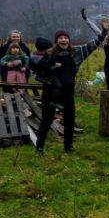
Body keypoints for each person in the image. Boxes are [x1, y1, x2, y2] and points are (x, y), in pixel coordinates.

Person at [35, 28, 105, 156]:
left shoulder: (76, 53)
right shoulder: (50, 55)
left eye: (65, 37)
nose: (63, 40)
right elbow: (37, 73)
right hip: (50, 93)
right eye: (60, 38)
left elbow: (92, 45)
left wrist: (103, 33)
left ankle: (68, 147)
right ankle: (39, 147)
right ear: (56, 41)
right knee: (46, 120)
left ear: (69, 39)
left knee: (69, 120)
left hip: (68, 93)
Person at [29, 38, 63, 109]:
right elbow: (48, 69)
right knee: (58, 86)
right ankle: (54, 102)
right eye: (49, 48)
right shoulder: (43, 59)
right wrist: (56, 66)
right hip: (47, 77)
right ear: (43, 49)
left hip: (44, 76)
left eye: (51, 47)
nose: (51, 49)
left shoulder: (43, 56)